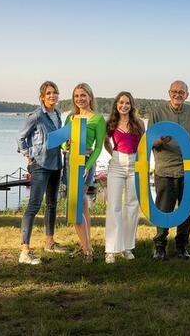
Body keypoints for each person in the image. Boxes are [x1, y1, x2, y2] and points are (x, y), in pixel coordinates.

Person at [149, 80, 190, 260]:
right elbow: (149, 141)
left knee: (185, 210)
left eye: (181, 92)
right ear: (169, 93)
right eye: (174, 92)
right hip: (164, 169)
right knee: (163, 209)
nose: (177, 95)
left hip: (188, 170)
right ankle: (160, 246)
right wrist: (160, 141)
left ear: (187, 95)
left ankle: (182, 246)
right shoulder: (158, 112)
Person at [16, 81, 66, 265]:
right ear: (42, 97)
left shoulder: (58, 115)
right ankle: (25, 251)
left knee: (52, 204)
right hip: (40, 166)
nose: (52, 96)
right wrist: (29, 156)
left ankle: (50, 242)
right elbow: (21, 137)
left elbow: (57, 138)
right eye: (49, 93)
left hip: (56, 164)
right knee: (34, 206)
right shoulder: (36, 116)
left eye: (55, 93)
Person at [64, 82, 106, 263]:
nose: (79, 99)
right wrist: (65, 145)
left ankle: (87, 249)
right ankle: (86, 246)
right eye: (76, 96)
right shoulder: (71, 118)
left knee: (74, 207)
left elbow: (98, 147)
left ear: (90, 97)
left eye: (83, 95)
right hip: (70, 161)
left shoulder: (98, 119)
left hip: (86, 162)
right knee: (82, 204)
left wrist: (88, 165)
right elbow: (63, 142)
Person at [103, 92, 145, 263]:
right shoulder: (111, 123)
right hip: (116, 165)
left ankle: (127, 247)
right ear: (116, 105)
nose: (124, 106)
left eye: (127, 103)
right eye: (121, 103)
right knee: (114, 206)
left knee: (132, 205)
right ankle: (111, 250)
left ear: (131, 105)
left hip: (134, 164)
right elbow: (106, 142)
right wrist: (113, 155)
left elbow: (143, 143)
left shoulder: (139, 123)